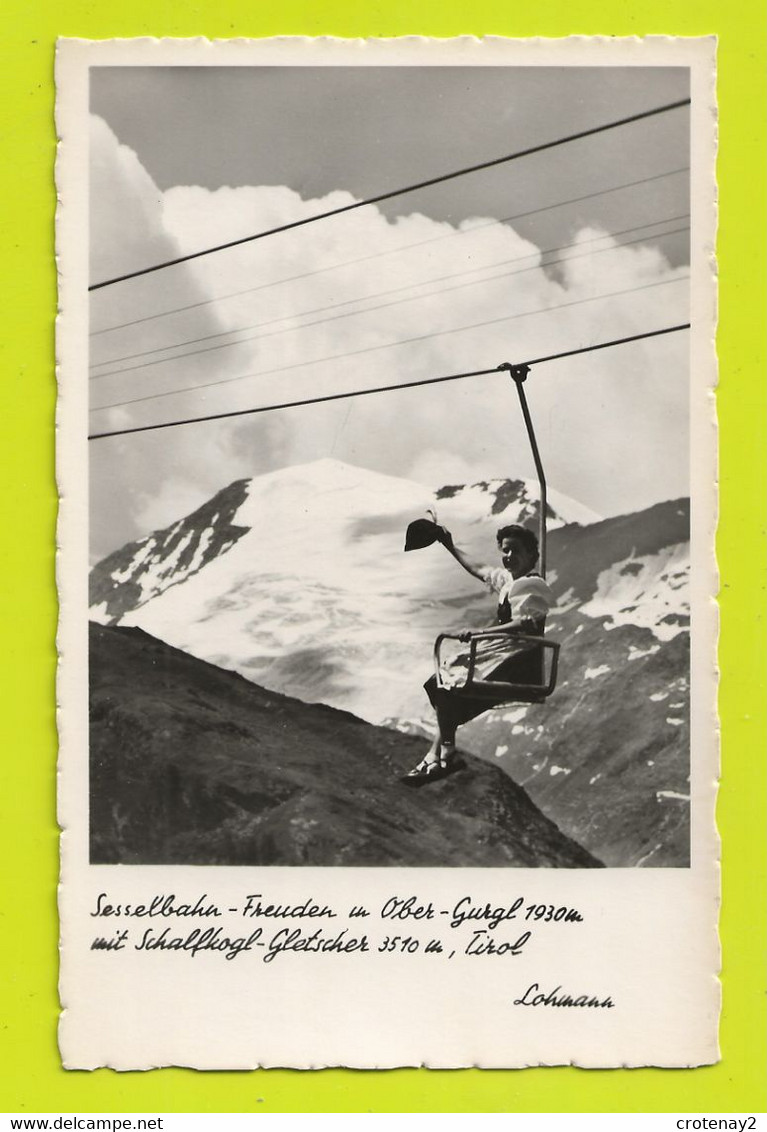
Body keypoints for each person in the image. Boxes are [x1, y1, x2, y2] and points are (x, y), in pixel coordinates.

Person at [402, 522, 554, 784]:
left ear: (532, 556)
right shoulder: (509, 582)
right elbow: (480, 569)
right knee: (440, 689)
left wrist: (479, 634)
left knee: (447, 687)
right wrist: (450, 546)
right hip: (503, 651)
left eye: (516, 551)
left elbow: (526, 622)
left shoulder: (532, 584)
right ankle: (437, 755)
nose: (509, 557)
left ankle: (443, 754)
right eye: (505, 551)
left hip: (519, 657)